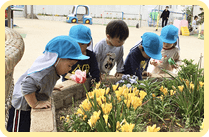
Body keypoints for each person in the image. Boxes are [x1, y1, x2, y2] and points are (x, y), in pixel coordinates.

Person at [7, 35, 89, 132]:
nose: (70, 69)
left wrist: (50, 86)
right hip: (21, 106)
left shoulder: (50, 66)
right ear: (57, 59)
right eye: (69, 65)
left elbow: (39, 82)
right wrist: (35, 104)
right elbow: (26, 85)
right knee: (19, 130)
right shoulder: (46, 72)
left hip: (27, 101)